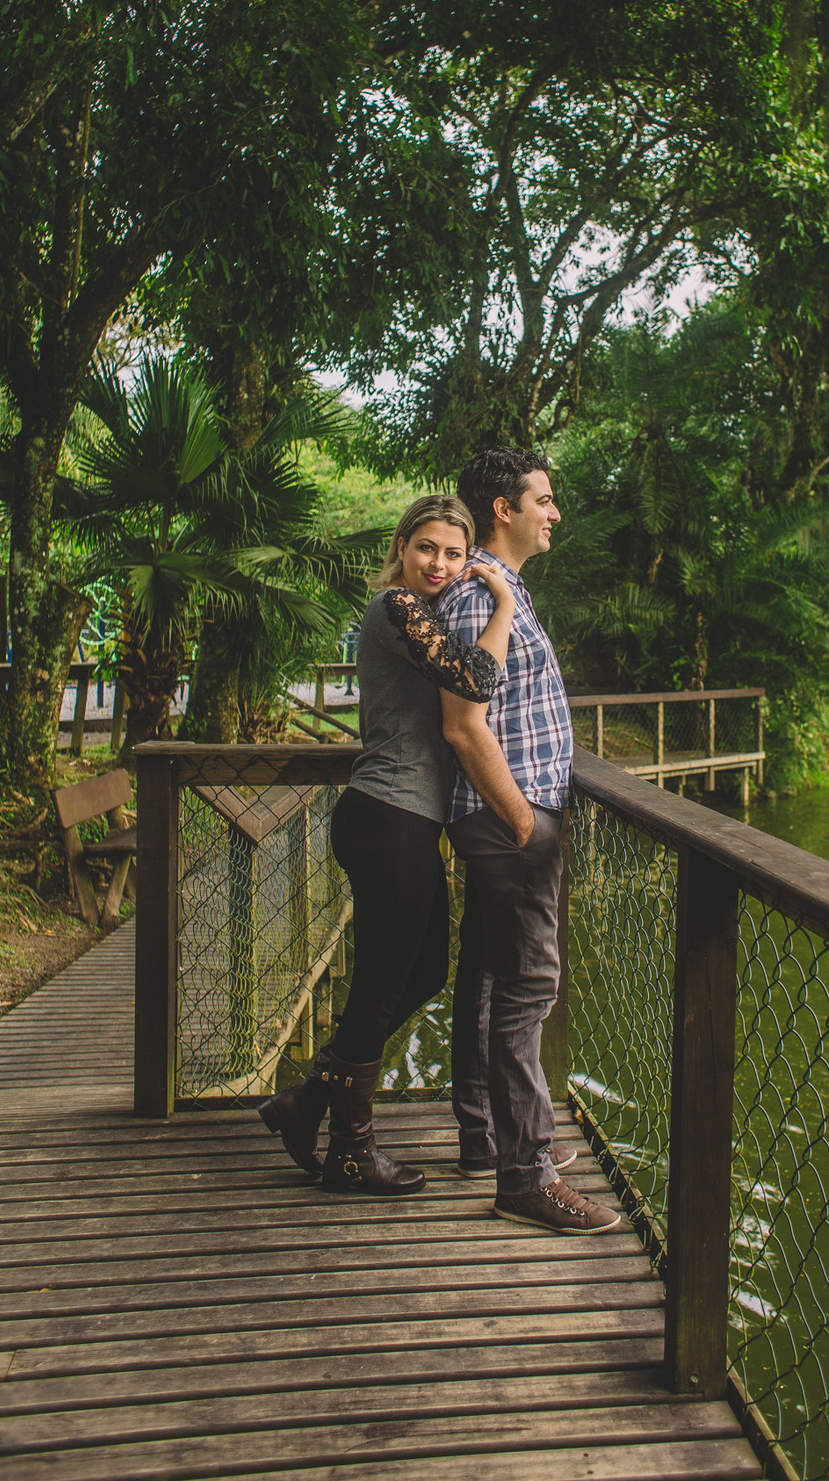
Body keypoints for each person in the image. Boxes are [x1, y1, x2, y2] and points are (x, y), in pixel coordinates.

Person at [259, 495, 515, 1195]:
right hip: (388, 817)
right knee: (379, 984)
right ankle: (350, 1152)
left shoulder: (424, 615)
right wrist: (503, 604)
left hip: (404, 820)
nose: (439, 563)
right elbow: (476, 679)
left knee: (423, 972)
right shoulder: (397, 606)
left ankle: (306, 1101)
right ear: (401, 547)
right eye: (426, 547)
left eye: (454, 553)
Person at [438, 448, 621, 1234]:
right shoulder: (476, 594)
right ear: (502, 509)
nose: (555, 513)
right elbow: (462, 724)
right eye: (543, 500)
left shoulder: (501, 588)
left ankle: (487, 1139)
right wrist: (521, 819)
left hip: (514, 811)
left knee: (489, 974)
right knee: (529, 985)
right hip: (508, 816)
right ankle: (526, 1174)